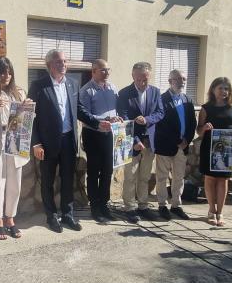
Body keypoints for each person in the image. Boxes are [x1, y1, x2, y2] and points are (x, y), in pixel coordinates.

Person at [29, 49, 94, 233]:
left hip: (68, 140)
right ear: (49, 65)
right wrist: (36, 143)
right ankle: (51, 216)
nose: (63, 64)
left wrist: (98, 122)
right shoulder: (38, 85)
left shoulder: (73, 84)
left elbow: (79, 110)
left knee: (68, 179)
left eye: (65, 61)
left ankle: (68, 214)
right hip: (47, 143)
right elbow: (31, 116)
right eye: (58, 61)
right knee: (47, 181)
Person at [0, 57, 30, 240]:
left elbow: (25, 119)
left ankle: (10, 219)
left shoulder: (19, 92)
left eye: (9, 72)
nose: (6, 75)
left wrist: (26, 108)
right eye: (2, 72)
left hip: (15, 137)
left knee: (15, 183)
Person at [116, 62, 165, 223]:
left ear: (149, 76)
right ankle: (129, 207)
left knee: (144, 176)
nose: (142, 83)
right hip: (131, 140)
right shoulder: (124, 93)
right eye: (139, 79)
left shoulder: (155, 92)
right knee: (130, 176)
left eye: (145, 79)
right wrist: (135, 140)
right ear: (133, 76)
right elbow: (123, 118)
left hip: (149, 141)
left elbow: (160, 112)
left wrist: (147, 119)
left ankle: (143, 206)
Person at [78, 59, 121, 223]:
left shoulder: (112, 88)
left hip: (110, 135)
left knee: (107, 171)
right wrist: (104, 120)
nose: (106, 73)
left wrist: (116, 118)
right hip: (93, 134)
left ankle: (104, 204)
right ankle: (95, 206)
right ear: (93, 71)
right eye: (103, 70)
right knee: (94, 172)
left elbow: (115, 110)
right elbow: (85, 116)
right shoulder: (86, 91)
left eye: (108, 69)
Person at [197, 77, 232, 226]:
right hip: (209, 148)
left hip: (228, 148)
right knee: (210, 179)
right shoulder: (206, 108)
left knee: (223, 180)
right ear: (213, 90)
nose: (224, 91)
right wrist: (204, 128)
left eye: (226, 89)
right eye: (220, 88)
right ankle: (211, 210)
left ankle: (220, 212)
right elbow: (198, 131)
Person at [154, 70, 197, 220]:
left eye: (183, 79)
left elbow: (192, 123)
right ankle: (162, 205)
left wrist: (187, 140)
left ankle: (176, 205)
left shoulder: (187, 100)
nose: (181, 81)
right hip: (165, 145)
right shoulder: (161, 100)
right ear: (170, 81)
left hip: (183, 147)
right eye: (178, 79)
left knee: (179, 177)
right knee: (162, 177)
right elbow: (161, 125)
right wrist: (178, 141)